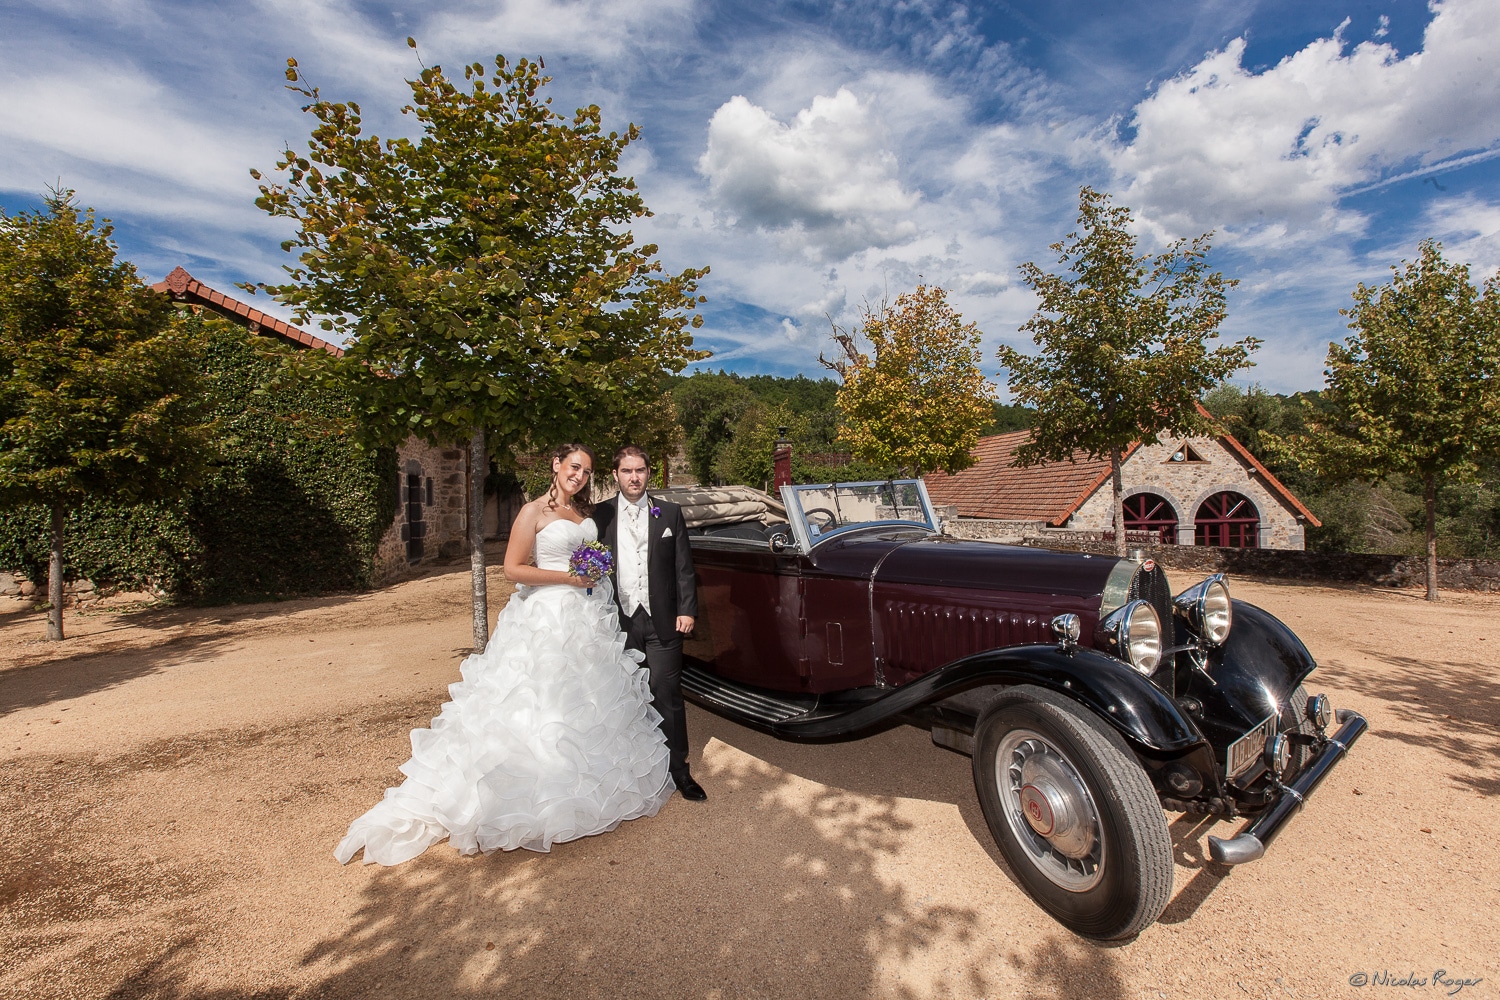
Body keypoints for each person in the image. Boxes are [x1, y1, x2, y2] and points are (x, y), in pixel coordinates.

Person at [333, 444, 672, 866]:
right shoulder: (533, 511)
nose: (579, 476)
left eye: (586, 471)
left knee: (583, 701)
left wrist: (595, 574)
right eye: (574, 467)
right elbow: (512, 568)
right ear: (556, 465)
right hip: (546, 616)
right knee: (538, 698)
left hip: (587, 619)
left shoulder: (584, 516)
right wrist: (570, 578)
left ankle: (579, 785)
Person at [589, 445, 705, 802]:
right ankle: (630, 769)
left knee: (667, 694)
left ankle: (679, 770)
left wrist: (687, 610)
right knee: (623, 695)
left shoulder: (669, 513)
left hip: (664, 622)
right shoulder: (599, 515)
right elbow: (589, 564)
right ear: (615, 475)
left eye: (640, 470)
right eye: (627, 471)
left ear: (648, 473)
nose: (634, 477)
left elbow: (683, 568)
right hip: (618, 620)